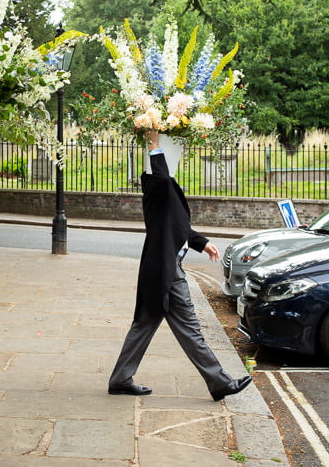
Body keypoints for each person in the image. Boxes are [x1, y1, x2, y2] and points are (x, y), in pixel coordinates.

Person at [108, 129, 252, 401]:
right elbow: (161, 178)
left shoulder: (164, 188)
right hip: (167, 271)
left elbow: (176, 225)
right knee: (190, 328)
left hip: (162, 268)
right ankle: (220, 382)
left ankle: (120, 379)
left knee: (145, 324)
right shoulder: (155, 185)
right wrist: (154, 143)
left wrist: (201, 242)